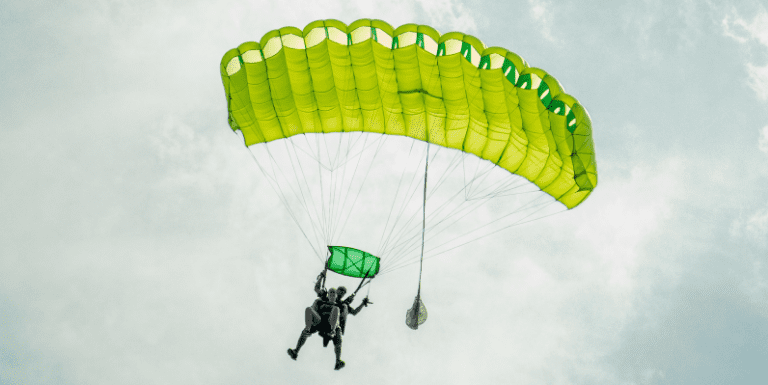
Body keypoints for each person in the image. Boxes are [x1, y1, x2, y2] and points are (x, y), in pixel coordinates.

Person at [288, 273, 373, 370]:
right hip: (319, 321)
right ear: (336, 291)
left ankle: (338, 361)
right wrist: (321, 278)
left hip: (332, 325)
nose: (342, 293)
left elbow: (354, 312)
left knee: (338, 335)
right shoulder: (325, 297)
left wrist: (363, 303)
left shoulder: (343, 304)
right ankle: (296, 351)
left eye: (343, 292)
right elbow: (316, 288)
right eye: (340, 290)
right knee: (308, 310)